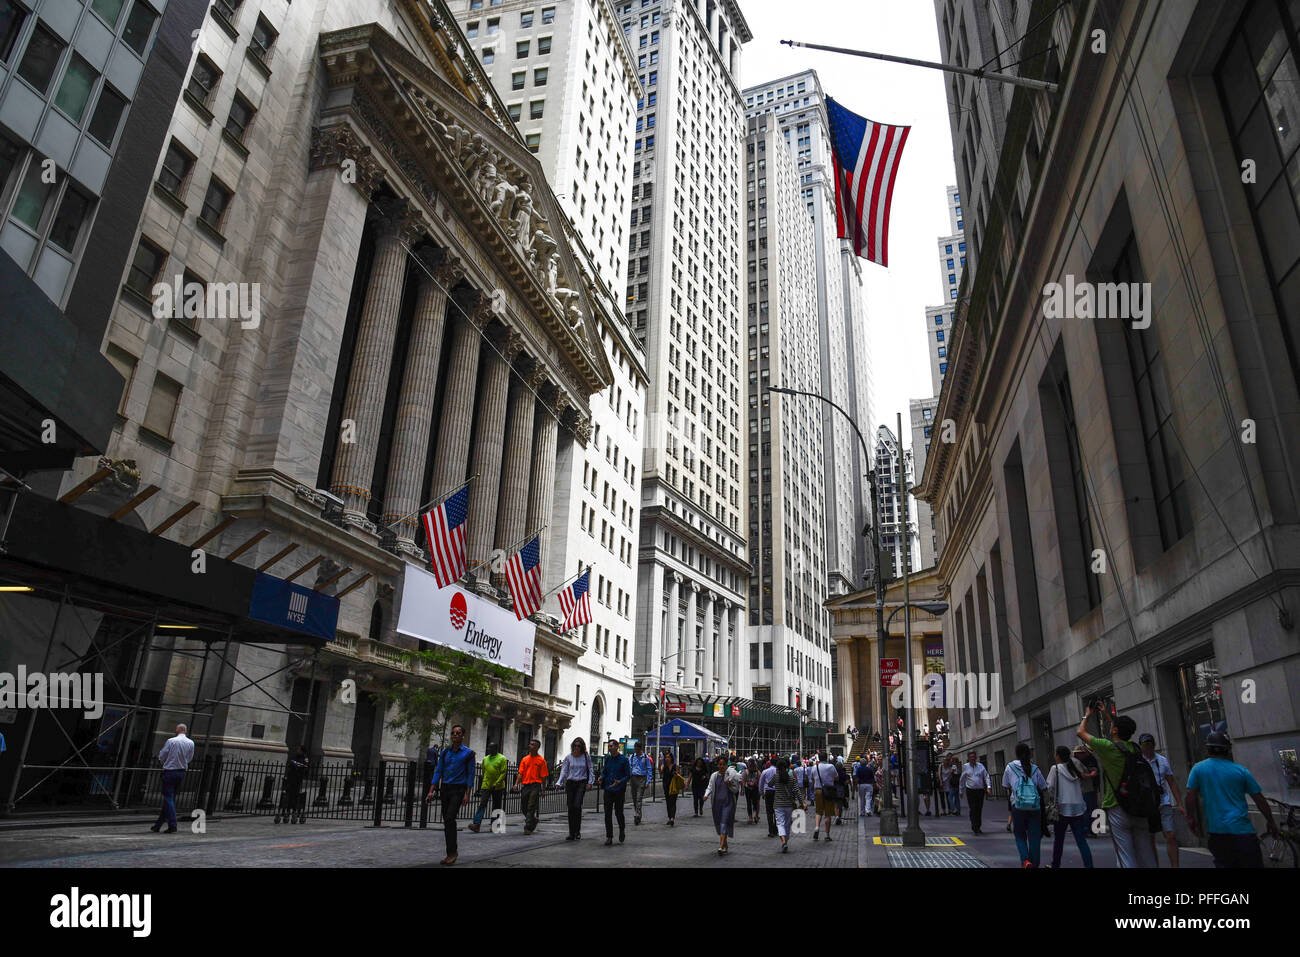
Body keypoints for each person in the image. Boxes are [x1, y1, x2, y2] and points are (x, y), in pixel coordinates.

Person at [1076, 704, 1157, 867]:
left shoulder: (1108, 748)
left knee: (1125, 856)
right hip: (1140, 806)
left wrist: (1087, 715)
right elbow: (1118, 730)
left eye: (1113, 725)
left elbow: (1081, 733)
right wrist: (1107, 715)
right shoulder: (1135, 748)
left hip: (1117, 806)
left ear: (1115, 731)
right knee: (1146, 852)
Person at [1185, 730, 1279, 868]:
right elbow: (1259, 799)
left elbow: (1190, 796)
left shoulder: (1198, 769)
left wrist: (1190, 818)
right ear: (1227, 749)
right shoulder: (1240, 771)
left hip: (1218, 833)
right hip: (1243, 832)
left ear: (1208, 748)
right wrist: (1271, 821)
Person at [426, 724, 475, 865]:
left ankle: (452, 852)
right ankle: (451, 852)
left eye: (458, 733)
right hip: (445, 789)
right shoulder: (445, 752)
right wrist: (431, 790)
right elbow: (438, 771)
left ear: (463, 736)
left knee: (449, 818)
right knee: (447, 821)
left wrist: (467, 794)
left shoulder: (468, 753)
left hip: (459, 789)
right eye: (453, 733)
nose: (455, 735)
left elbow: (471, 774)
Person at [1139, 732, 1184, 868]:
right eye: (1145, 744)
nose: (1147, 747)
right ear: (1141, 746)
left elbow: (1172, 782)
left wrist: (1179, 803)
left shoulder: (1162, 760)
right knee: (1150, 838)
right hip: (1148, 805)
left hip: (1164, 802)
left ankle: (1175, 866)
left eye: (1150, 744)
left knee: (1170, 835)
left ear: (1154, 745)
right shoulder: (1139, 762)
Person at [1046, 746, 1093, 868]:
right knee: (1081, 841)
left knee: (1059, 841)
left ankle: (1055, 864)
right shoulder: (1074, 768)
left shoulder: (1055, 769)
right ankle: (1089, 865)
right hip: (1078, 807)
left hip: (1062, 808)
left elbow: (1050, 786)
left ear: (1058, 756)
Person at [1003, 742, 1048, 868]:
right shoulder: (1035, 768)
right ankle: (1035, 863)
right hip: (1034, 806)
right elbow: (1044, 787)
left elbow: (1005, 785)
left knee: (1020, 835)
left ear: (1016, 753)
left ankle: (1026, 861)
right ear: (1029, 753)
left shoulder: (1010, 767)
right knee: (1034, 837)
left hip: (1018, 806)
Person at [151, 724, 195, 834]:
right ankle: (158, 825)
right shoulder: (190, 743)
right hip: (181, 772)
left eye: (176, 729)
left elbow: (162, 755)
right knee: (170, 799)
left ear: (179, 730)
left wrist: (164, 762)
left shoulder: (171, 741)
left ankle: (173, 824)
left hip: (170, 771)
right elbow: (189, 758)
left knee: (168, 798)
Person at [556, 737, 594, 841]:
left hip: (581, 783)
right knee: (571, 807)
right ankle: (571, 832)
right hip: (570, 783)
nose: (576, 747)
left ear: (582, 747)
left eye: (579, 746)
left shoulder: (586, 757)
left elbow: (590, 769)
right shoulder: (568, 757)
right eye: (575, 745)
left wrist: (590, 782)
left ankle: (577, 831)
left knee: (577, 806)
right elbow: (564, 771)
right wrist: (559, 782)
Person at [703, 753, 742, 854]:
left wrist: (729, 785)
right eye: (720, 764)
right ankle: (725, 845)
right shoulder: (714, 776)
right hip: (716, 804)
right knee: (720, 825)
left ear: (726, 765)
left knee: (724, 823)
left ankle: (721, 846)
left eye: (723, 764)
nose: (721, 766)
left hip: (728, 804)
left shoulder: (730, 776)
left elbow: (736, 790)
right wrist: (706, 795)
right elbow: (710, 787)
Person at [468, 740, 507, 833]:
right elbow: (484, 772)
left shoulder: (502, 758)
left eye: (491, 747)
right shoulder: (485, 759)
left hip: (498, 786)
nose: (488, 749)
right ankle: (476, 824)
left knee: (496, 806)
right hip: (486, 785)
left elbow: (503, 773)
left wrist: (496, 783)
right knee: (482, 804)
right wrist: (486, 783)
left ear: (496, 749)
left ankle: (494, 825)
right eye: (488, 747)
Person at [512, 738, 548, 835]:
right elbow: (520, 773)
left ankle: (528, 827)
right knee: (523, 806)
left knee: (531, 806)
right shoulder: (525, 759)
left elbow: (544, 777)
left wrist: (543, 790)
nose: (530, 746)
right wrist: (516, 784)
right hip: (526, 785)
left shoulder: (541, 761)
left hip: (535, 785)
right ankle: (533, 819)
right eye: (530, 744)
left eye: (532, 745)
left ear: (537, 747)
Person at [600, 738, 631, 845]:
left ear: (617, 747)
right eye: (609, 746)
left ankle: (622, 829)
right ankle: (609, 836)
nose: (609, 748)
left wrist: (620, 781)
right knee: (607, 813)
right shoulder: (608, 759)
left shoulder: (624, 760)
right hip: (608, 789)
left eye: (611, 746)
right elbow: (605, 771)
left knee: (618, 812)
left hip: (619, 790)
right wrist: (601, 777)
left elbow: (628, 775)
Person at [772, 757, 806, 853]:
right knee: (787, 824)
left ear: (777, 768)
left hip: (778, 804)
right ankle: (786, 841)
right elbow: (797, 791)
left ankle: (783, 841)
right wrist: (802, 802)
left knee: (780, 823)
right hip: (789, 805)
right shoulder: (791, 778)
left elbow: (770, 784)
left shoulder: (776, 777)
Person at [959, 751, 991, 833]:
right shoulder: (966, 767)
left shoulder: (981, 766)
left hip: (980, 790)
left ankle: (978, 826)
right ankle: (974, 825)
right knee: (973, 808)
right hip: (970, 790)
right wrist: (961, 790)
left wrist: (988, 787)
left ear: (976, 758)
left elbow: (986, 776)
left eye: (974, 757)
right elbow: (962, 779)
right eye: (971, 757)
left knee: (979, 808)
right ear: (968, 758)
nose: (973, 758)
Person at [812, 750, 839, 842]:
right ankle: (827, 834)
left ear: (819, 758)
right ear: (826, 758)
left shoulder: (815, 767)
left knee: (818, 811)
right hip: (829, 791)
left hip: (818, 790)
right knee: (828, 813)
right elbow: (836, 777)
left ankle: (816, 827)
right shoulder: (831, 766)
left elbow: (813, 779)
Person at [1071, 745, 1100, 822]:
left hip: (1086, 789)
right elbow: (1082, 775)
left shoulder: (1078, 761)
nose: (1085, 755)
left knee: (1090, 808)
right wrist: (1091, 774)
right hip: (1085, 789)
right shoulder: (1076, 762)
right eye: (1083, 753)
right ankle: (1090, 829)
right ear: (1078, 754)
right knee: (1089, 809)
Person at [628, 741, 653, 826]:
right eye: (635, 749)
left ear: (640, 749)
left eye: (638, 750)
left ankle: (637, 814)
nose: (636, 751)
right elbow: (628, 768)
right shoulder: (631, 757)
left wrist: (648, 781)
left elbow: (649, 769)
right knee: (635, 798)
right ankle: (638, 814)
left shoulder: (645, 758)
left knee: (639, 798)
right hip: (633, 778)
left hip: (642, 778)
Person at [660, 751, 683, 825]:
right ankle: (670, 817)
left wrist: (676, 774)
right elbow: (661, 773)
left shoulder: (675, 766)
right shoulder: (664, 767)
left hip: (673, 786)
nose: (667, 759)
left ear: (671, 758)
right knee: (668, 802)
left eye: (668, 757)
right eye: (666, 757)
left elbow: (678, 774)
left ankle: (672, 818)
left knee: (673, 802)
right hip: (666, 786)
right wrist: (660, 764)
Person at [759, 755, 779, 837]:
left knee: (769, 811)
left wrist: (762, 793)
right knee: (777, 812)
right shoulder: (779, 771)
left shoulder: (765, 771)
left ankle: (771, 830)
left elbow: (761, 783)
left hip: (768, 792)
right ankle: (776, 829)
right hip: (777, 792)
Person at [743, 758, 761, 824]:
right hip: (755, 789)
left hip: (748, 789)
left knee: (749, 803)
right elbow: (760, 782)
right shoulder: (758, 772)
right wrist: (760, 790)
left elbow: (743, 781)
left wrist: (742, 789)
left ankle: (750, 818)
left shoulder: (746, 771)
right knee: (755, 803)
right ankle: (755, 815)